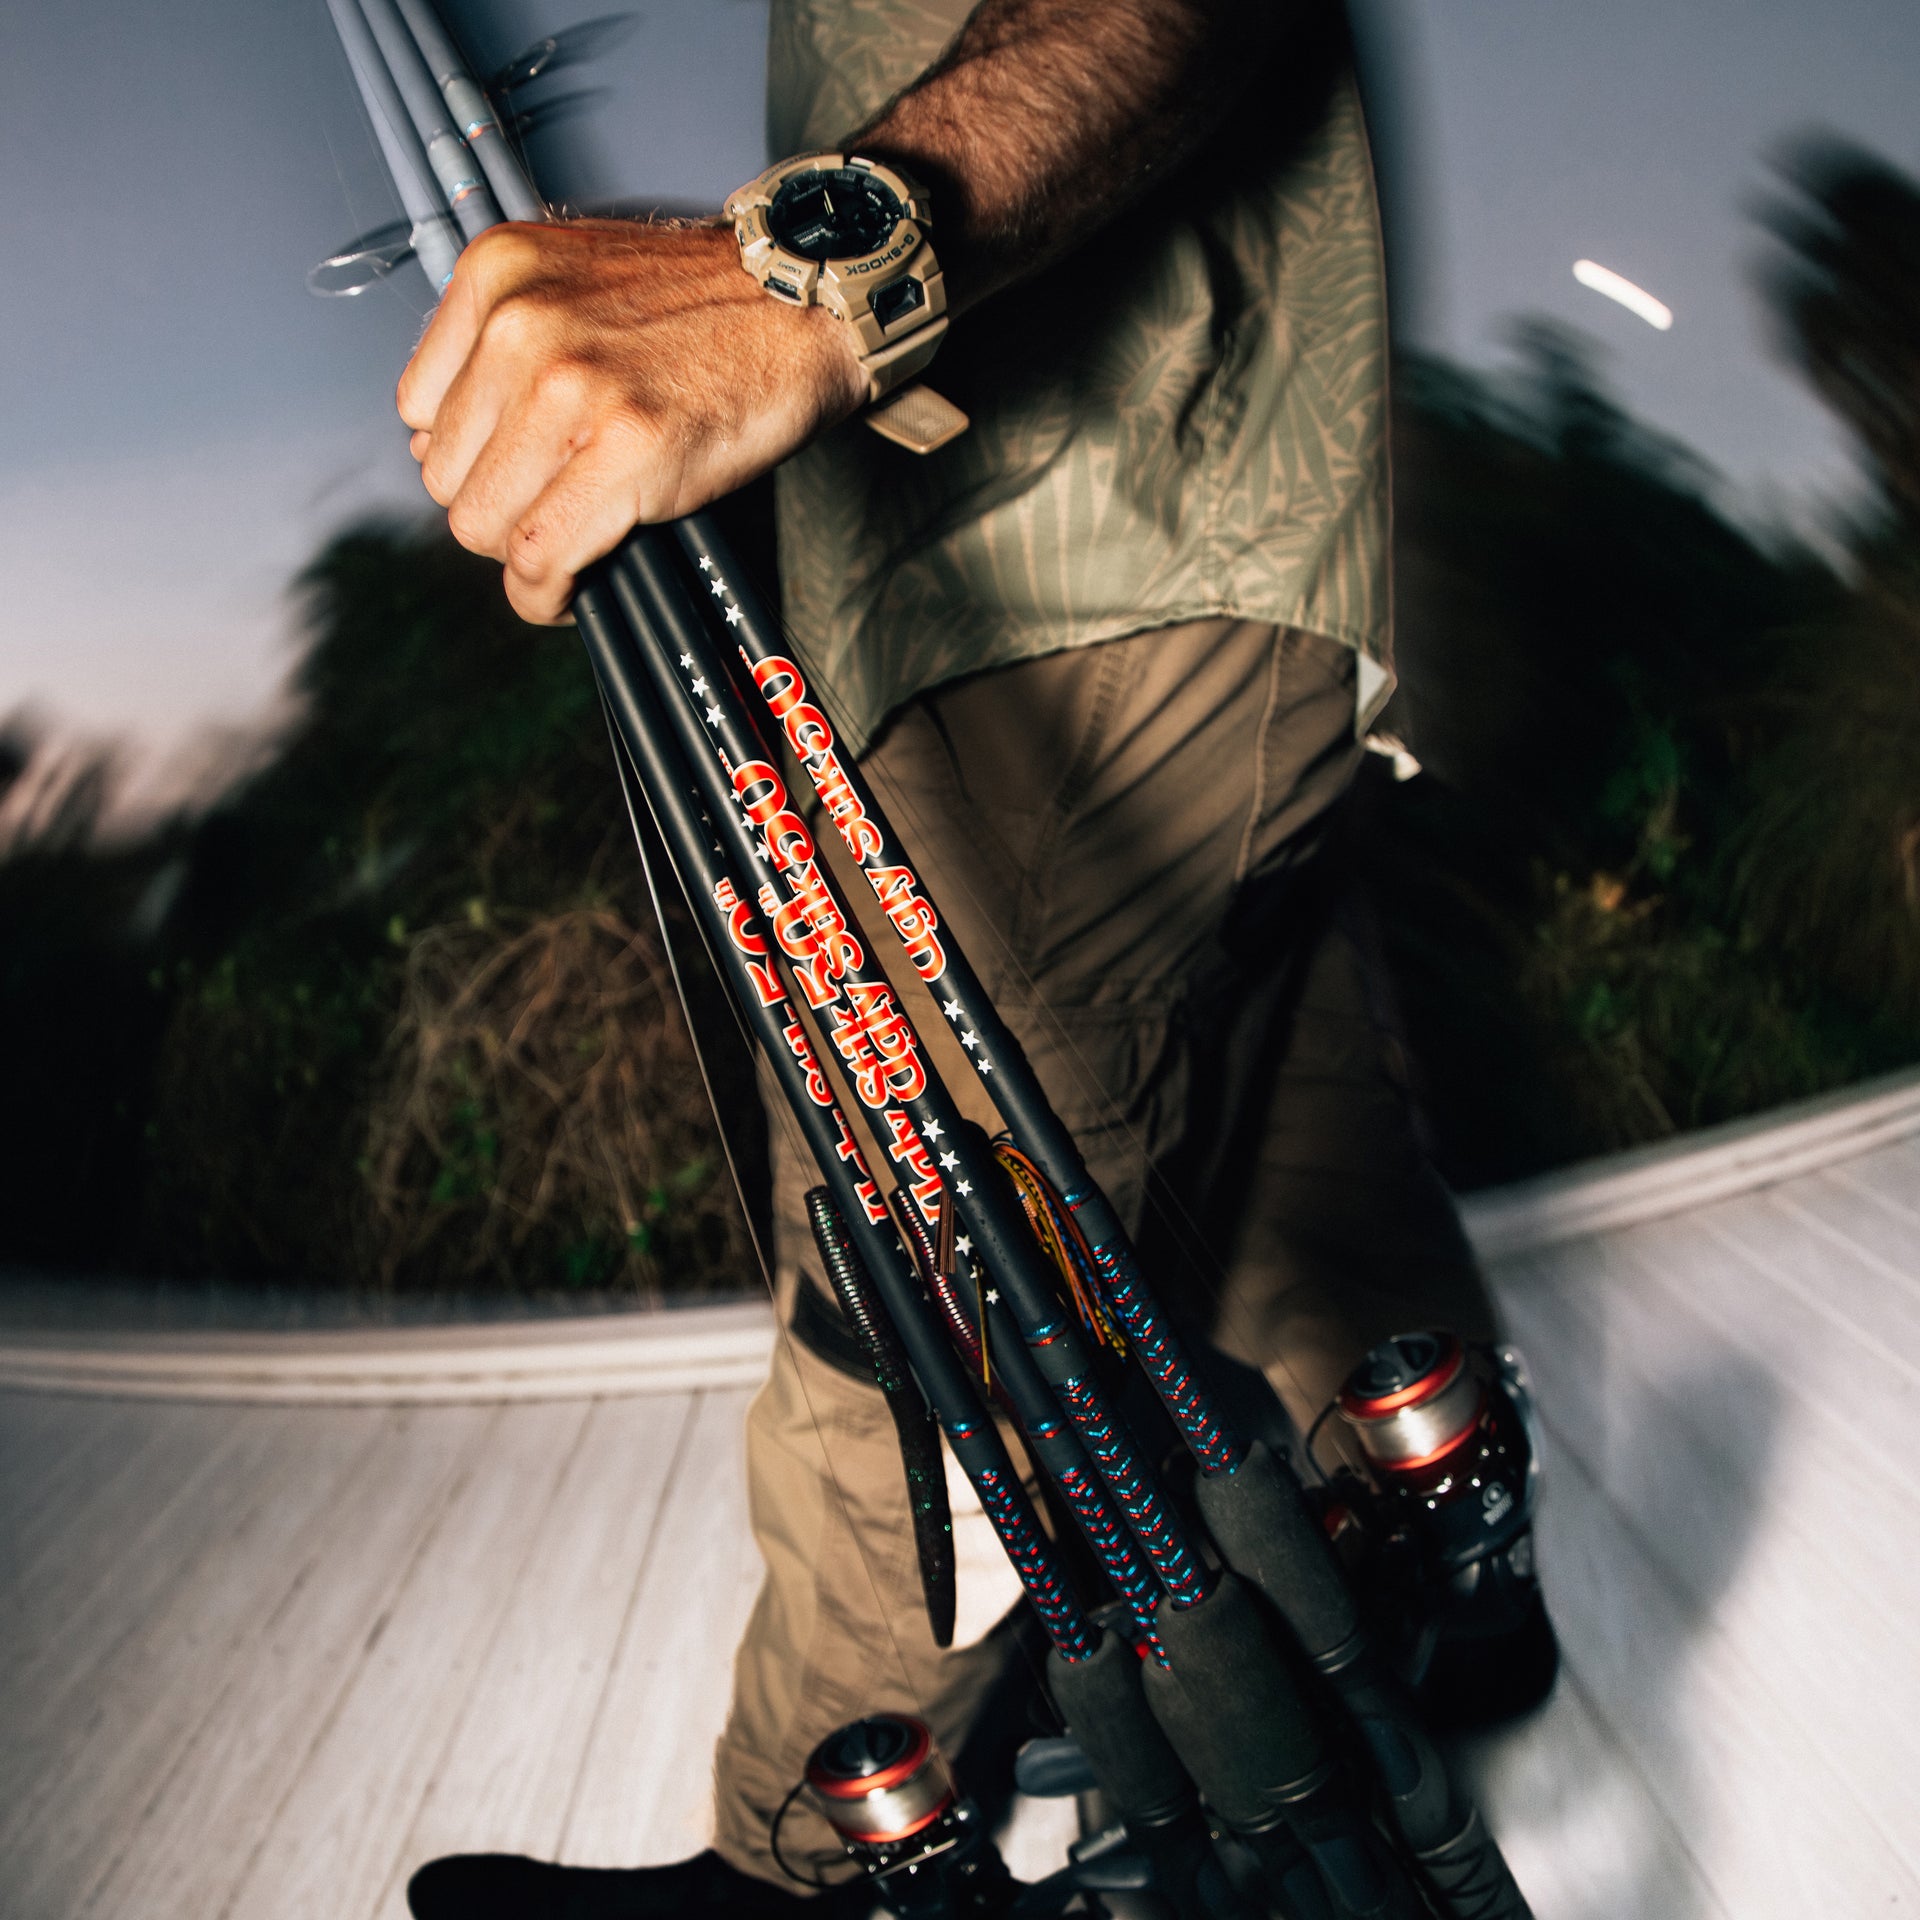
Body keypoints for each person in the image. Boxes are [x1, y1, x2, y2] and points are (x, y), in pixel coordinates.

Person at [401, 1, 1503, 1912]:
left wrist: (806, 273)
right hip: (1191, 560)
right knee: (1274, 1085)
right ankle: (1433, 1576)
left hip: (1065, 580)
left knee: (918, 1267)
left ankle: (806, 1870)